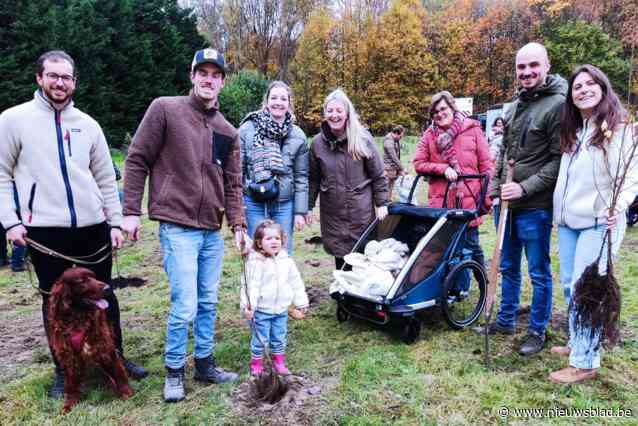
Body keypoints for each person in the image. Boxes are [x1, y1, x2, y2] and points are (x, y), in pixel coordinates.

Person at [0, 50, 147, 399]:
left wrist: (114, 222)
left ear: (74, 82)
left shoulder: (88, 124)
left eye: (66, 77)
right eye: (53, 75)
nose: (60, 83)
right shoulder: (12, 120)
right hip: (45, 230)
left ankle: (116, 358)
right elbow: (2, 175)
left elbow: (104, 177)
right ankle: (63, 369)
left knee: (104, 296)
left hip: (92, 228)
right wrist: (10, 222)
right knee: (55, 302)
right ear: (39, 77)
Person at [122, 48, 247, 403]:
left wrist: (238, 224)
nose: (208, 80)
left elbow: (233, 183)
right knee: (185, 303)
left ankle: (205, 364)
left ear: (223, 82)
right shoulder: (165, 109)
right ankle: (174, 370)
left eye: (215, 74)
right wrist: (130, 210)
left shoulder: (227, 131)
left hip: (211, 228)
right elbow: (136, 159)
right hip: (177, 225)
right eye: (202, 73)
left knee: (209, 301)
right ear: (192, 76)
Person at [549, 65, 638, 383]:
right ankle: (578, 342)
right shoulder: (577, 129)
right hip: (571, 221)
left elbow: (629, 176)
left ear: (603, 87)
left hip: (600, 221)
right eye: (577, 86)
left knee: (587, 290)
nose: (583, 89)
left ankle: (585, 361)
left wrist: (620, 205)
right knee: (569, 283)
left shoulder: (618, 127)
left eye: (590, 84)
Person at [487, 42, 567, 356]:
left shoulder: (559, 105)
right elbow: (504, 153)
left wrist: (524, 188)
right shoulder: (514, 106)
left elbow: (558, 160)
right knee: (507, 265)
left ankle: (537, 329)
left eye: (533, 65)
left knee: (537, 271)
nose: (527, 72)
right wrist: (495, 191)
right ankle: (505, 320)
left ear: (546, 66)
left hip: (534, 206)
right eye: (521, 67)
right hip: (506, 204)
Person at [413, 91, 493, 287]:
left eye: (443, 109)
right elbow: (418, 163)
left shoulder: (472, 129)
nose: (440, 114)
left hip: (468, 200)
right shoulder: (429, 135)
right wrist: (442, 169)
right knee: (447, 248)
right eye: (435, 112)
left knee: (471, 245)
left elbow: (486, 166)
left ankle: (482, 281)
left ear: (452, 107)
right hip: (441, 202)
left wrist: (486, 197)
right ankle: (457, 288)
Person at [307, 89, 390, 270]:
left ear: (347, 113)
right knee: (339, 251)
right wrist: (308, 206)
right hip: (332, 210)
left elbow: (378, 175)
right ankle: (343, 290)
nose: (334, 115)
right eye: (330, 111)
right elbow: (313, 179)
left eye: (339, 111)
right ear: (324, 113)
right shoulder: (317, 144)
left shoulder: (362, 139)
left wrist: (382, 203)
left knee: (362, 252)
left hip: (360, 210)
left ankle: (361, 292)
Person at [239, 81, 309, 253]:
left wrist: (300, 211)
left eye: (283, 98)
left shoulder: (298, 135)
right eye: (274, 97)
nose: (278, 102)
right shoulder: (247, 128)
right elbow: (237, 171)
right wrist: (238, 208)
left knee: (282, 254)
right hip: (253, 202)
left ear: (289, 103)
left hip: (284, 205)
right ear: (267, 101)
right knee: (256, 253)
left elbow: (301, 176)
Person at [241, 220, 309, 376]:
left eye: (277, 238)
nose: (274, 242)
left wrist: (301, 302)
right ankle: (256, 364)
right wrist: (248, 306)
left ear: (283, 241)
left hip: (281, 310)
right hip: (261, 311)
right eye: (268, 239)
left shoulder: (287, 260)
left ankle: (279, 362)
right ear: (258, 243)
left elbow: (296, 282)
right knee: (260, 340)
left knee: (279, 337)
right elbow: (249, 286)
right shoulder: (255, 262)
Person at [383, 125, 405, 200]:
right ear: (396, 133)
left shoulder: (394, 140)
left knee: (391, 184)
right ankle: (384, 201)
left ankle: (388, 199)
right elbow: (394, 157)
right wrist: (402, 168)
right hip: (388, 167)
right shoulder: (389, 141)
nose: (401, 138)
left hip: (393, 167)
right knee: (387, 185)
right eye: (401, 136)